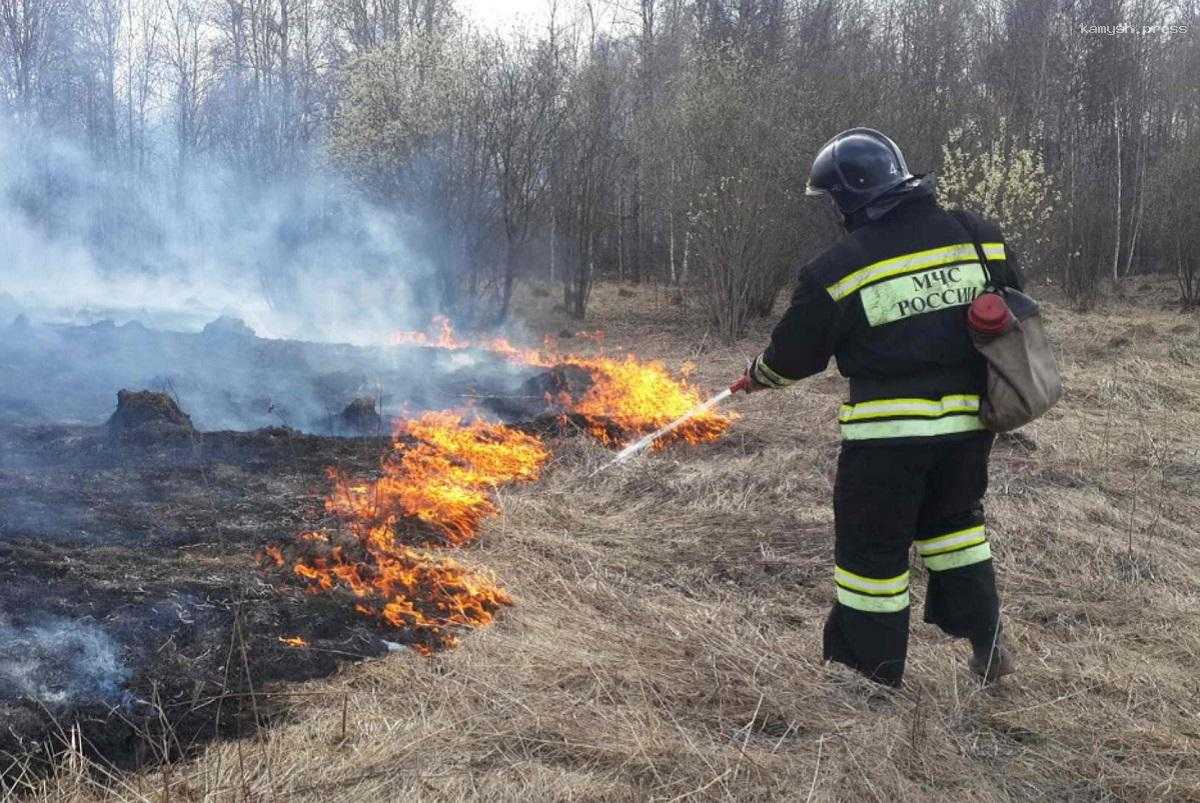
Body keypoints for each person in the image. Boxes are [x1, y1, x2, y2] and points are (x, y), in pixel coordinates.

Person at [734, 128, 1018, 687]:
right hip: (969, 426)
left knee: (873, 555)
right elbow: (1009, 303)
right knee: (955, 529)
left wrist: (757, 378)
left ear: (848, 196)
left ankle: (869, 676)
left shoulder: (838, 268)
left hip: (887, 438)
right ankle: (986, 637)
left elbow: (795, 356)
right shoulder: (978, 235)